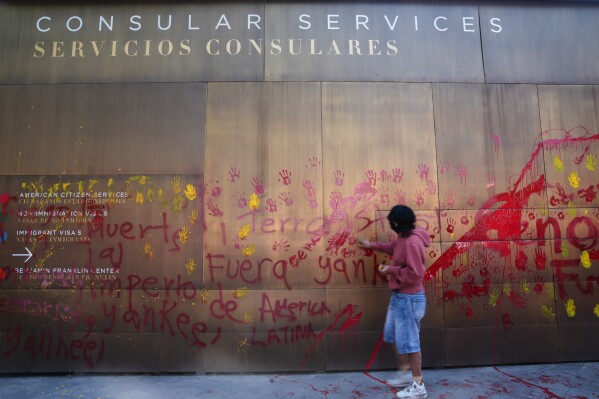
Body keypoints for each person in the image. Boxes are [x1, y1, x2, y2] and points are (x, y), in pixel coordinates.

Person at [359, 205, 430, 399]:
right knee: (394, 336)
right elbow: (393, 247)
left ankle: (418, 384)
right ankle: (406, 374)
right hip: (399, 296)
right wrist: (371, 245)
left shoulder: (411, 243)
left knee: (410, 343)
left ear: (397, 223)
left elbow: (416, 274)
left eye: (392, 223)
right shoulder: (404, 237)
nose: (392, 227)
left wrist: (390, 270)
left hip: (408, 299)